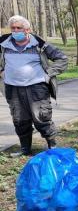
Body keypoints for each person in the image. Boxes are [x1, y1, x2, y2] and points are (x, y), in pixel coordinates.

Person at [0, 15, 68, 157]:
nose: (15, 31)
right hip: (13, 88)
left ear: (27, 30)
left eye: (19, 28)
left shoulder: (39, 44)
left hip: (37, 87)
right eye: (13, 28)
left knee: (42, 118)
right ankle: (25, 149)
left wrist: (48, 73)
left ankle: (52, 147)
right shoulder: (3, 43)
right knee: (19, 120)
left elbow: (62, 58)